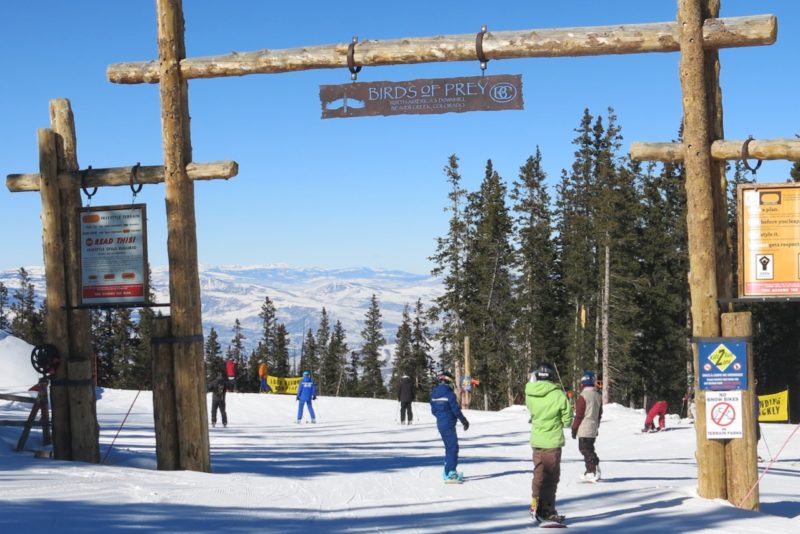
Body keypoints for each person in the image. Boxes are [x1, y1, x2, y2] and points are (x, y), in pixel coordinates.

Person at [526, 362, 572, 525]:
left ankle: (535, 503)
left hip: (537, 440)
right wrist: (561, 420)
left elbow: (531, 411)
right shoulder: (558, 395)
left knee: (539, 473)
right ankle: (547, 510)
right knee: (551, 476)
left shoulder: (530, 393)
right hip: (552, 441)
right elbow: (567, 420)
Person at [430, 371, 470, 483]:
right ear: (449, 382)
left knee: (449, 447)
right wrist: (464, 421)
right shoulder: (449, 394)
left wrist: (441, 416)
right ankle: (451, 473)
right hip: (448, 424)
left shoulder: (434, 394)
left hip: (441, 424)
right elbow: (456, 410)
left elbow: (433, 410)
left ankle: (447, 471)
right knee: (453, 448)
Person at [571, 371, 603, 482]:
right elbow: (599, 413)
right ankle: (594, 467)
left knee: (584, 449)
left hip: (584, 428)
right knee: (589, 448)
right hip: (593, 427)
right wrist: (597, 426)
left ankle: (591, 470)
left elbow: (579, 415)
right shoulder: (598, 395)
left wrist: (574, 428)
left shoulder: (583, 396)